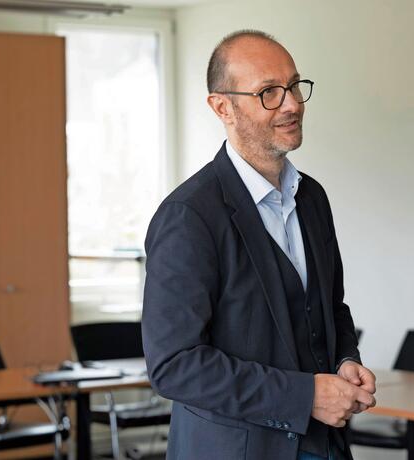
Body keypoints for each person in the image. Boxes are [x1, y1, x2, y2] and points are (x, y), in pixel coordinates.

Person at [142, 30, 376, 460]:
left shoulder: (312, 198)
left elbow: (331, 309)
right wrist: (305, 397)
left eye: (294, 86)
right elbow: (174, 366)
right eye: (269, 92)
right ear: (222, 107)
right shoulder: (189, 216)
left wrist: (345, 360)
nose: (292, 105)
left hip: (326, 446)